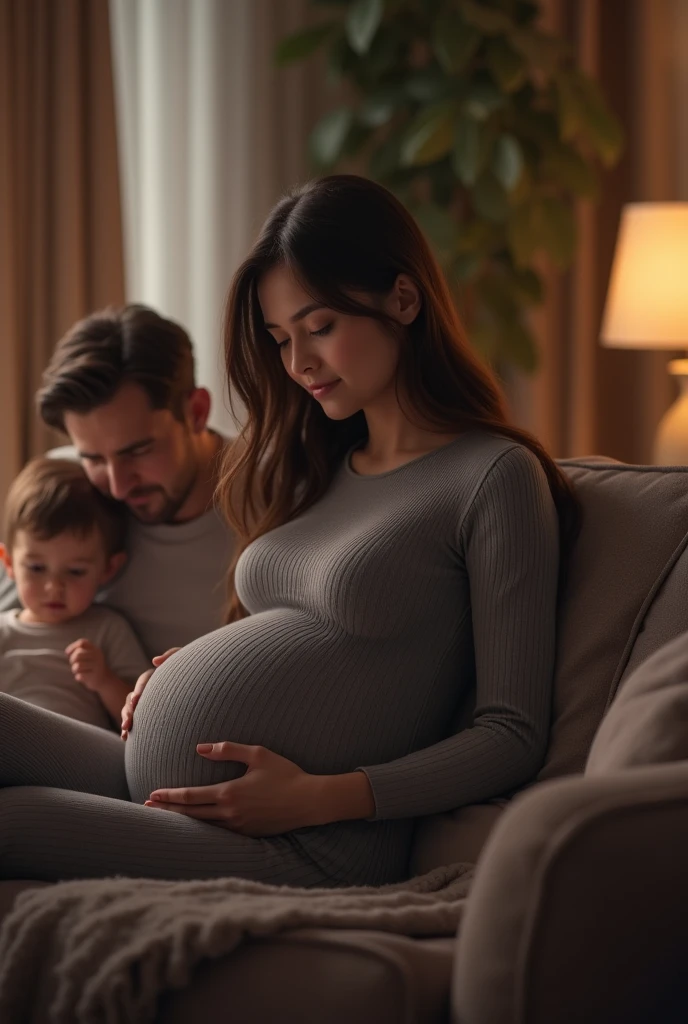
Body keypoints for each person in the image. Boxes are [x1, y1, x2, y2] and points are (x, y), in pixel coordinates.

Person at [0, 174, 580, 890]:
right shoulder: (319, 462)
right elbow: (305, 642)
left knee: (15, 821)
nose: (299, 363)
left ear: (403, 298)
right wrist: (180, 668)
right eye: (280, 339)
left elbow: (512, 733)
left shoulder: (495, 478)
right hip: (164, 779)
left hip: (306, 837)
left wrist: (320, 796)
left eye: (321, 327)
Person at [0, 305, 236, 657]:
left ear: (197, 412)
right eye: (92, 457)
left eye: (137, 451)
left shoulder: (277, 498)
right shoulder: (66, 489)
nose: (117, 486)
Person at [0, 458, 149, 728]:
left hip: (83, 751)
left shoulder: (106, 628)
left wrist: (105, 680)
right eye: (36, 568)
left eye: (76, 572)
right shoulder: (3, 632)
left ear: (108, 569)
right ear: (8, 562)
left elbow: (140, 717)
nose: (53, 587)